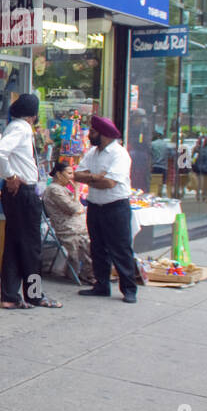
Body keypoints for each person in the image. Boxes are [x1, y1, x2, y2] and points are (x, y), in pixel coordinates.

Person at [0, 93, 61, 309]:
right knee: (31, 248)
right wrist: (9, 176)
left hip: (15, 195)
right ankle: (35, 294)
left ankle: (10, 295)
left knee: (14, 245)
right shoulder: (22, 128)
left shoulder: (12, 128)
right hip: (24, 193)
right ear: (33, 115)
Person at [75, 115, 138, 304]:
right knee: (97, 248)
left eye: (93, 132)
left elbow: (110, 183)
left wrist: (92, 178)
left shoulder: (119, 154)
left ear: (104, 135)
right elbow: (77, 175)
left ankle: (129, 288)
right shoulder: (92, 153)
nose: (89, 135)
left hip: (115, 207)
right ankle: (101, 285)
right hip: (95, 206)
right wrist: (97, 177)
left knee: (120, 248)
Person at [41, 161, 94, 286]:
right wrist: (76, 192)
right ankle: (88, 274)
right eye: (69, 173)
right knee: (89, 243)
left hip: (76, 226)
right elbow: (74, 208)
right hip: (68, 228)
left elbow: (77, 208)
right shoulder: (54, 190)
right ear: (59, 174)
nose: (72, 177)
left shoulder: (62, 188)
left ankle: (89, 273)